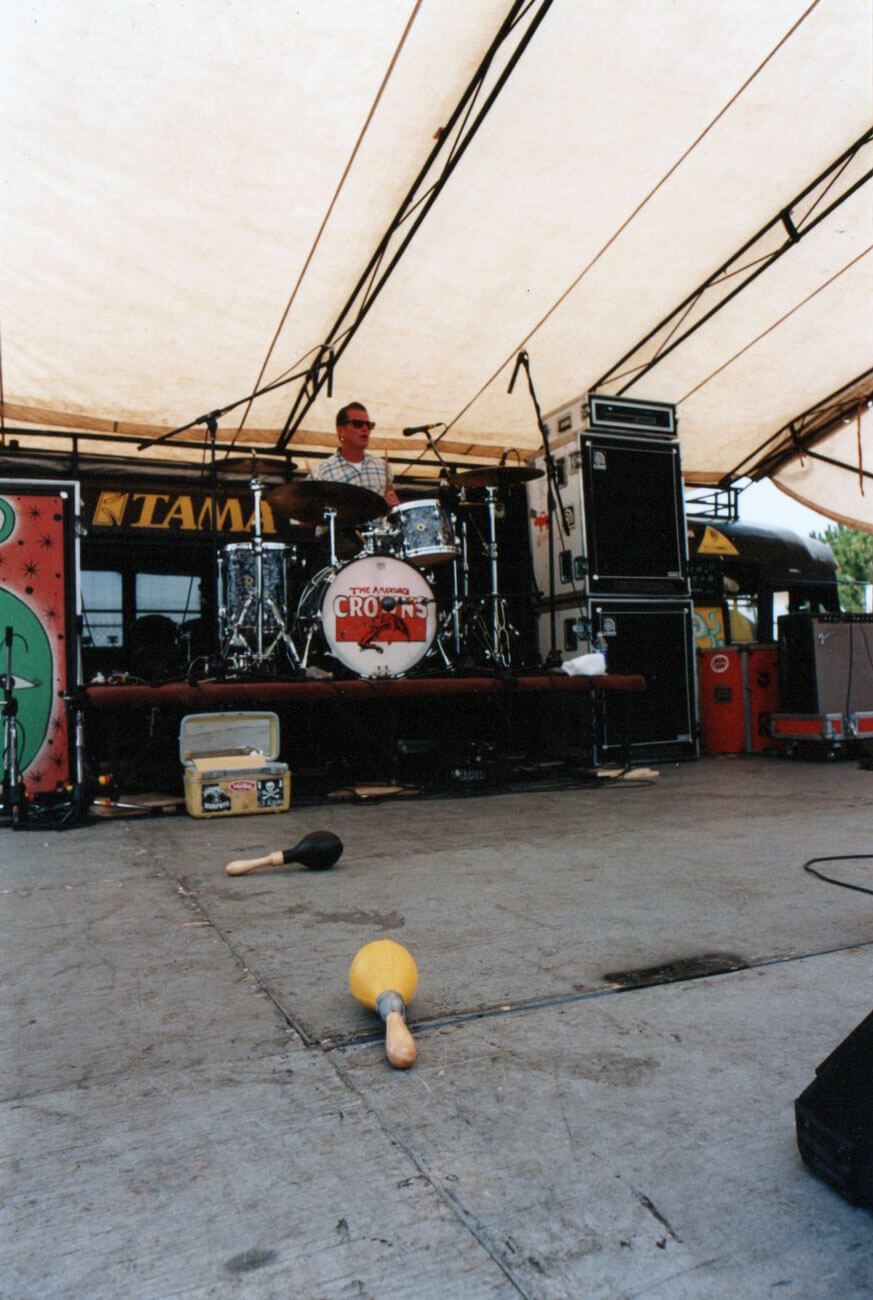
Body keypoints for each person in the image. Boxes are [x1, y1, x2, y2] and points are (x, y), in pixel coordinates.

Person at [311, 402, 399, 508]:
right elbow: (304, 519)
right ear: (341, 430)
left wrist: (395, 504)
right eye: (358, 424)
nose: (365, 428)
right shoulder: (322, 471)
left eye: (369, 425)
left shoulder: (382, 466)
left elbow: (395, 511)